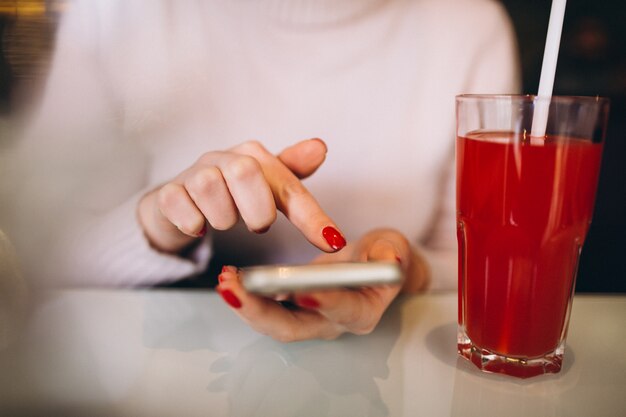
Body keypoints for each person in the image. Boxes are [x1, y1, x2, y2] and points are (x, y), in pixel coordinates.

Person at [7, 0, 520, 341]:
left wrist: (409, 268)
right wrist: (158, 224)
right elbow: (29, 250)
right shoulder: (116, 10)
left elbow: (495, 269)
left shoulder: (469, 24)